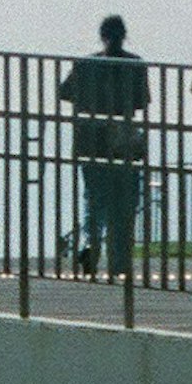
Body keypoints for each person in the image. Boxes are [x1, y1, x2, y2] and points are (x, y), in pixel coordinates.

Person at [56, 15, 150, 278]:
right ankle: (119, 261)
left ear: (101, 35)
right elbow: (142, 101)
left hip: (89, 140)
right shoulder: (135, 64)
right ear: (124, 35)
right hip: (123, 141)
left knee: (94, 199)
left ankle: (89, 244)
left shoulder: (85, 65)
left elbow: (64, 92)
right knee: (125, 202)